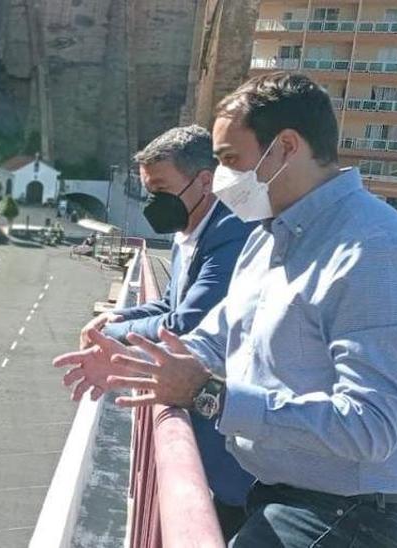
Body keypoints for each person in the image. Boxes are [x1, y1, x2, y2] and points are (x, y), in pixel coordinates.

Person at [54, 72, 397, 547]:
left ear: (285, 146)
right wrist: (132, 363)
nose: (221, 182)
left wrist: (209, 395)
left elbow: (370, 426)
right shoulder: (267, 234)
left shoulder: (377, 251)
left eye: (230, 160)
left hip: (350, 514)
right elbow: (216, 339)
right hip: (283, 493)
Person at [69, 125, 257, 538]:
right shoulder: (189, 228)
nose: (154, 202)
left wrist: (117, 335)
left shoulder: (233, 233)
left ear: (205, 181)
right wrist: (115, 320)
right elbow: (170, 305)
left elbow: (187, 323)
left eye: (161, 189)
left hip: (240, 444)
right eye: (148, 190)